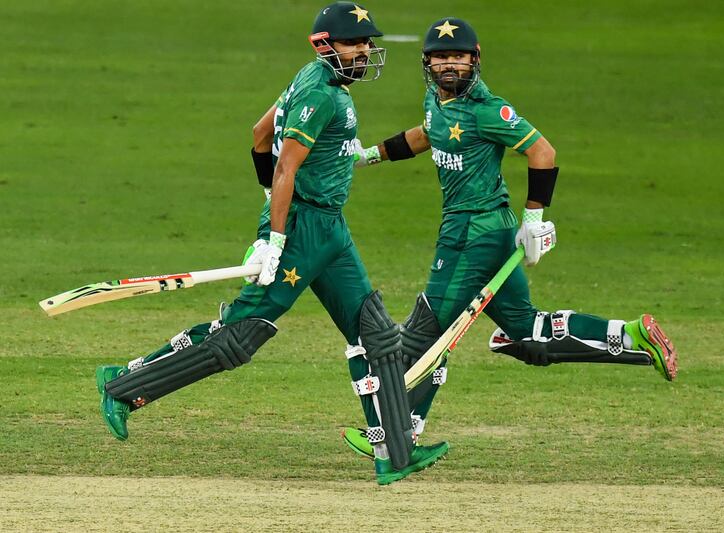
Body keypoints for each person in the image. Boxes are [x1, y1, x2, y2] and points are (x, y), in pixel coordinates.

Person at [94, 2, 448, 486]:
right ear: (325, 45)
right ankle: (123, 386)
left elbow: (261, 136)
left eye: (367, 42)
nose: (365, 51)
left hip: (330, 231)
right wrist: (275, 237)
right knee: (240, 336)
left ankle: (394, 452)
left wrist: (271, 201)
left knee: (376, 334)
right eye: (354, 43)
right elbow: (284, 166)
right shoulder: (321, 95)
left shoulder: (316, 82)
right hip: (302, 232)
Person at [342, 17, 678, 458]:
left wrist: (535, 217)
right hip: (485, 236)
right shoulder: (434, 100)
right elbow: (426, 134)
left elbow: (543, 152)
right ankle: (632, 334)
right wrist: (372, 155)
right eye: (442, 57)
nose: (449, 65)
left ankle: (397, 437)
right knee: (528, 330)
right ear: (427, 63)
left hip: (471, 235)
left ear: (474, 61)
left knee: (426, 332)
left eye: (458, 58)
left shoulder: (488, 110)